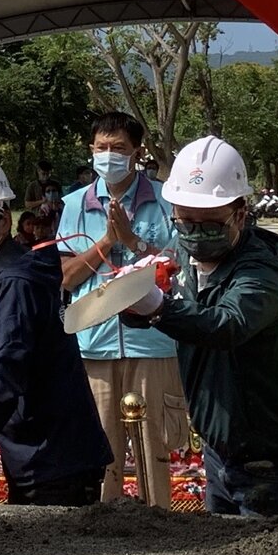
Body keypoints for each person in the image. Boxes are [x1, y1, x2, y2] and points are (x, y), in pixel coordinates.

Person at [120, 136, 278, 516]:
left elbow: (227, 325)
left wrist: (159, 309)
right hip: (220, 451)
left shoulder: (259, 269)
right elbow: (173, 323)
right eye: (186, 222)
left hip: (270, 457)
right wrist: (132, 303)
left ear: (241, 214)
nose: (197, 233)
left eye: (210, 223)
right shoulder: (185, 255)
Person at [0, 153, 111, 505]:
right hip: (34, 449)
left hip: (53, 455)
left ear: (1, 220)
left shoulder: (16, 283)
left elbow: (7, 370)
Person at [57, 112, 186, 507]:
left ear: (137, 153)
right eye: (101, 148)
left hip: (153, 342)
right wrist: (106, 243)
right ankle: (102, 528)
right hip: (94, 341)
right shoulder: (75, 204)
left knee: (155, 446)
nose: (108, 156)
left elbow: (177, 267)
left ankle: (161, 521)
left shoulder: (167, 200)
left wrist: (132, 241)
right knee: (101, 452)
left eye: (118, 149)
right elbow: (65, 277)